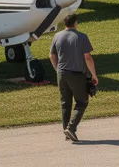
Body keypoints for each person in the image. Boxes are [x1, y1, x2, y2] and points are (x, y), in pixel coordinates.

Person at [49, 14, 97, 142]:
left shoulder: (57, 36)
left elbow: (52, 55)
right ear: (75, 23)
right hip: (76, 74)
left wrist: (57, 69)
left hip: (61, 74)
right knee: (82, 102)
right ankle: (71, 128)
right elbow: (88, 57)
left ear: (65, 23)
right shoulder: (81, 37)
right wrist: (94, 75)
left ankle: (66, 131)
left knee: (65, 103)